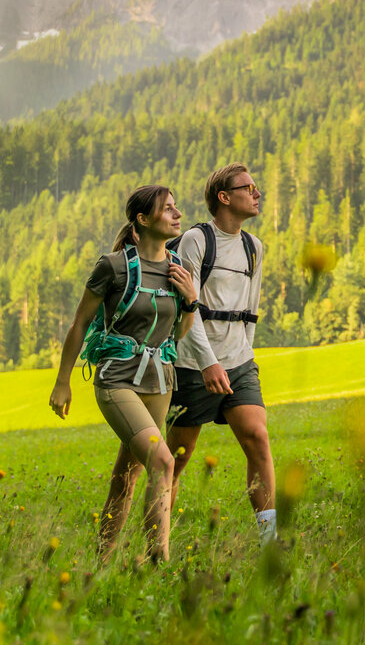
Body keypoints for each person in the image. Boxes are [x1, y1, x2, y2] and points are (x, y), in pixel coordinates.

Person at [49, 185, 198, 564]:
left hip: (160, 382)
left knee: (127, 476)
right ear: (143, 221)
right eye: (168, 209)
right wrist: (63, 382)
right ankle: (157, 560)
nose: (177, 213)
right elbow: (80, 322)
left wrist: (191, 300)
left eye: (176, 207)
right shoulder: (113, 267)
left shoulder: (180, 270)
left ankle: (102, 561)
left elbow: (176, 335)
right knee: (163, 462)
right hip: (117, 381)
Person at [166, 163, 276, 543]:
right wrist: (208, 361)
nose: (256, 193)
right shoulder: (195, 241)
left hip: (239, 362)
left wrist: (243, 353)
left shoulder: (253, 247)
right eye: (248, 187)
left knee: (257, 439)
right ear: (225, 197)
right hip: (193, 364)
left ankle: (269, 542)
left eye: (255, 187)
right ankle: (158, 541)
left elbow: (251, 308)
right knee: (177, 459)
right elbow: (187, 307)